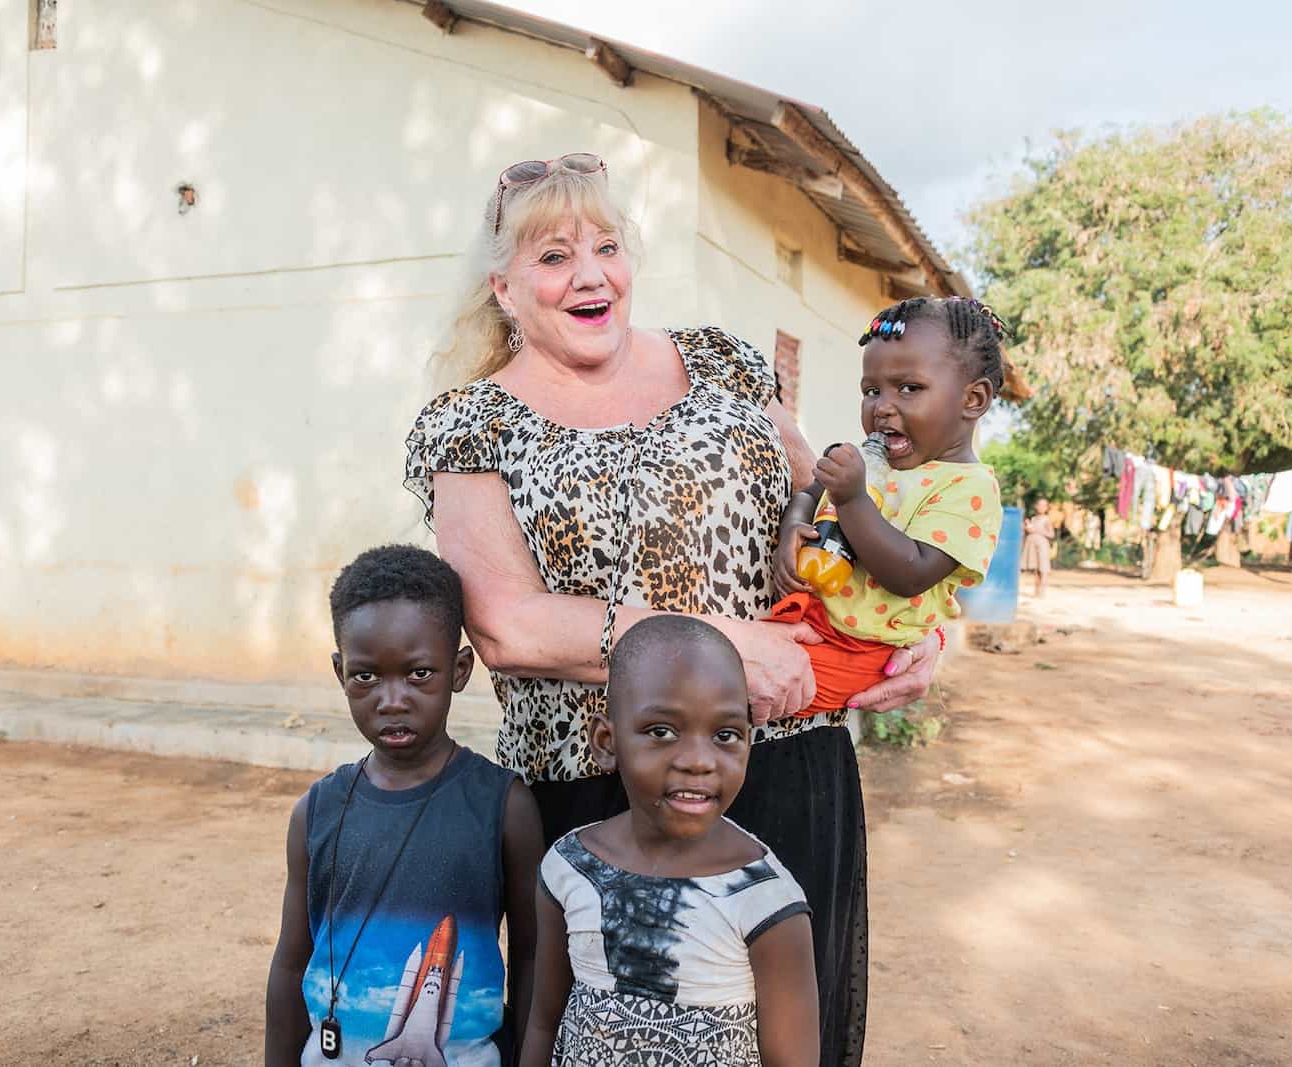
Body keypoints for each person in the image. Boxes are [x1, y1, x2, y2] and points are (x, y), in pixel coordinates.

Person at [404, 153, 939, 1065]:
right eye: (553, 256)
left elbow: (838, 514)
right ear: (502, 285)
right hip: (601, 789)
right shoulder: (469, 423)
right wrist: (728, 645)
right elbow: (507, 625)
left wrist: (914, 616)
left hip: (787, 760)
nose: (590, 274)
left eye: (607, 245)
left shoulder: (723, 360)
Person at [264, 545, 543, 1067]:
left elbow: (531, 957)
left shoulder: (504, 807)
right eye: (366, 676)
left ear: (459, 670)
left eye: (419, 674)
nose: (392, 699)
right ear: (339, 671)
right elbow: (289, 964)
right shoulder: (317, 812)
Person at [522, 616, 819, 1067]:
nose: (699, 761)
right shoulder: (569, 867)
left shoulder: (765, 901)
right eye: (662, 732)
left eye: (725, 735)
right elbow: (545, 1023)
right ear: (606, 742)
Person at [772, 297, 1005, 713]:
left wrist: (853, 498)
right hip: (813, 619)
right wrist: (794, 525)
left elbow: (911, 572)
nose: (882, 407)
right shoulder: (875, 464)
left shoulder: (969, 489)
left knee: (733, 687)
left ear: (973, 400)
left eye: (909, 388)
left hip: (861, 651)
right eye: (872, 391)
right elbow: (810, 493)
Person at [1021, 497, 1055, 597]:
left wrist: (1036, 530)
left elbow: (1051, 534)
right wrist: (1026, 529)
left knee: (1043, 568)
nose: (1041, 507)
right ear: (1036, 506)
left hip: (1042, 546)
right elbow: (1028, 532)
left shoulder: (1046, 519)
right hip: (1032, 546)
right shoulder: (1033, 519)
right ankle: (1036, 590)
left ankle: (1042, 591)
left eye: (1044, 505)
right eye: (1039, 505)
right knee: (1036, 569)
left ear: (1047, 508)